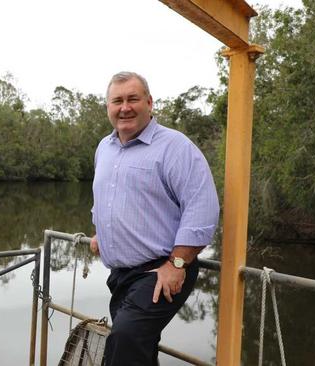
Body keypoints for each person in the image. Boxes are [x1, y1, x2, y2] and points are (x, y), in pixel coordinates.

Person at [90, 71, 219, 365]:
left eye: (133, 99)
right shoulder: (104, 148)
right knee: (139, 351)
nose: (125, 107)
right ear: (108, 107)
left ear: (149, 102)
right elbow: (104, 198)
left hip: (161, 271)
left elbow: (203, 209)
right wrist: (100, 233)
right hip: (120, 275)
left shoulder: (175, 147)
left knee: (124, 339)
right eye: (117, 101)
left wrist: (176, 264)